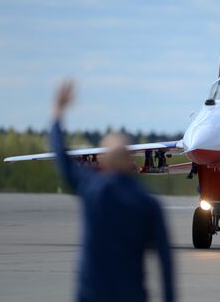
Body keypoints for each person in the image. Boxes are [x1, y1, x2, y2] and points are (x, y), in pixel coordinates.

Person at [50, 80, 175, 302]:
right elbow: (165, 260)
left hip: (91, 294)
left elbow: (62, 159)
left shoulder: (91, 188)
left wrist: (57, 114)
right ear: (130, 162)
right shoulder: (148, 203)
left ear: (104, 162)